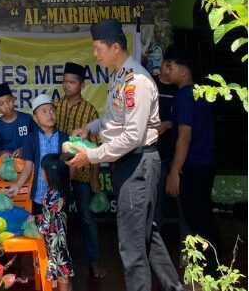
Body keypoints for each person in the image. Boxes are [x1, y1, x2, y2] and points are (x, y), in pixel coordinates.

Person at [68, 19, 183, 291]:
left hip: (138, 164)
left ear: (115, 46)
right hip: (127, 165)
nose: (95, 54)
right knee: (147, 236)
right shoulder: (118, 77)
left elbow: (132, 136)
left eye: (98, 49)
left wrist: (92, 156)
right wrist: (90, 128)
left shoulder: (137, 82)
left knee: (131, 246)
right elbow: (112, 118)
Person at [163, 47, 219, 274]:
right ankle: (212, 270)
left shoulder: (185, 96)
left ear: (184, 70)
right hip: (205, 164)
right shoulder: (200, 93)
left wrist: (174, 171)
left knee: (198, 222)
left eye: (170, 67)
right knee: (203, 218)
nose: (166, 71)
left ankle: (209, 272)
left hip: (193, 166)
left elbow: (184, 137)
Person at [54, 61, 106, 279]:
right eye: (65, 81)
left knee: (86, 217)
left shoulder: (89, 111)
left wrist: (95, 179)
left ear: (82, 85)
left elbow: (96, 148)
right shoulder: (56, 106)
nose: (67, 86)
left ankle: (94, 262)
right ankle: (60, 263)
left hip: (83, 174)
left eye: (72, 82)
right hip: (61, 172)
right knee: (59, 216)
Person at [5, 94, 69, 215]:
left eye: (52, 111)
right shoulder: (31, 139)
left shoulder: (64, 138)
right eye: (44, 112)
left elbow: (70, 166)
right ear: (35, 117)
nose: (49, 114)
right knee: (39, 229)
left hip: (61, 196)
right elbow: (28, 167)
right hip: (39, 195)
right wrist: (17, 186)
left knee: (59, 230)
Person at [35, 154, 75, 291]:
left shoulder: (52, 195)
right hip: (59, 237)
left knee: (62, 271)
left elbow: (45, 223)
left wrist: (33, 220)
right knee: (63, 270)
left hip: (55, 240)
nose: (41, 172)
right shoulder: (59, 191)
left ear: (50, 174)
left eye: (43, 169)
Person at [153, 60, 180, 230]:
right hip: (155, 154)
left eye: (173, 68)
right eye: (167, 67)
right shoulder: (150, 83)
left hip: (177, 153)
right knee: (155, 202)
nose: (169, 72)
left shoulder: (179, 89)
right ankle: (154, 244)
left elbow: (185, 123)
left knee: (182, 203)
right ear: (161, 65)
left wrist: (169, 124)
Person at [0, 83, 35, 158]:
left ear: (13, 99)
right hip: (7, 164)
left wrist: (23, 149)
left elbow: (36, 140)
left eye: (8, 101)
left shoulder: (27, 119)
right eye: (1, 104)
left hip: (27, 161)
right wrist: (2, 153)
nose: (7, 106)